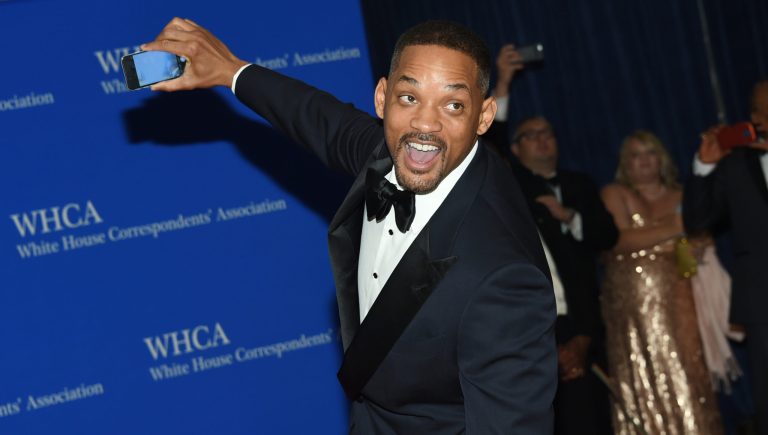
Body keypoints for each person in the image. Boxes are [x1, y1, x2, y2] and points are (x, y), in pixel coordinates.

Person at [143, 18, 557, 433]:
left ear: (484, 116)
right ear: (382, 99)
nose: (424, 124)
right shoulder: (387, 154)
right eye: (409, 97)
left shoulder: (504, 277)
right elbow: (320, 120)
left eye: (453, 105)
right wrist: (229, 70)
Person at [600, 130, 722, 434]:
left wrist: (661, 237)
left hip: (680, 300)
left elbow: (701, 241)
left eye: (650, 152)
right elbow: (618, 241)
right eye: (635, 155)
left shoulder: (683, 194)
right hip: (629, 305)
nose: (644, 161)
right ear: (625, 163)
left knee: (687, 371)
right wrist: (676, 227)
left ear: (662, 158)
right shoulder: (614, 193)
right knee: (638, 370)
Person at [508, 116, 618, 435]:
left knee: (593, 413)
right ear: (515, 149)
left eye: (547, 133)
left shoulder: (579, 183)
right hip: (534, 320)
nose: (542, 140)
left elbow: (608, 235)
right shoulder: (514, 190)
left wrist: (569, 216)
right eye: (531, 136)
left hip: (582, 311)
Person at [683, 80, 768, 435]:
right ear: (755, 116)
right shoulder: (736, 164)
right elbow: (698, 221)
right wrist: (704, 166)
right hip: (763, 299)